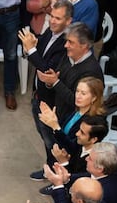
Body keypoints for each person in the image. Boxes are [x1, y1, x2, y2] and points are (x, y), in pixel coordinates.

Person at [30, 22, 103, 179]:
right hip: (62, 114)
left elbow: (75, 100)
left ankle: (58, 179)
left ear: (84, 46)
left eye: (71, 42)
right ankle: (51, 171)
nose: (66, 45)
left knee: (60, 148)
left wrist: (55, 83)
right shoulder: (69, 57)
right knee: (52, 145)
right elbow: (60, 79)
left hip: (69, 119)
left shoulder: (91, 71)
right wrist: (52, 81)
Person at [19, 0, 73, 178]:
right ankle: (51, 168)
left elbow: (48, 69)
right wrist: (31, 48)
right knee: (44, 136)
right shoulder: (51, 31)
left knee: (52, 140)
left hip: (52, 100)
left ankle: (57, 175)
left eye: (58, 18)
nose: (52, 21)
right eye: (52, 16)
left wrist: (31, 50)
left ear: (69, 21)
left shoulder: (67, 43)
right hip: (39, 95)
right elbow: (38, 50)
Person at [37, 76, 105, 168]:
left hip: (73, 163)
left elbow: (75, 147)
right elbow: (64, 129)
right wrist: (53, 120)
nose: (78, 96)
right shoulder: (76, 110)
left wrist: (55, 126)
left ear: (94, 98)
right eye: (77, 91)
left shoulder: (93, 121)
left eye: (83, 93)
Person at [39, 114, 108, 196]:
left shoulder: (94, 161)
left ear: (94, 139)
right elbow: (69, 145)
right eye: (79, 130)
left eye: (82, 133)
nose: (77, 134)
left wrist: (64, 162)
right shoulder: (81, 143)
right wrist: (55, 126)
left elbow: (75, 179)